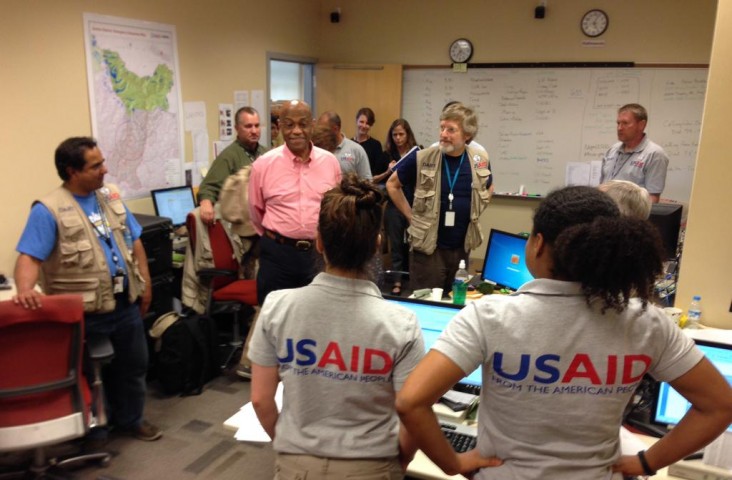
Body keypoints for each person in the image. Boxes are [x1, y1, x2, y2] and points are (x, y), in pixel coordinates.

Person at [396, 186, 732, 479]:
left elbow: (411, 402)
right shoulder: (647, 322)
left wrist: (452, 462)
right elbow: (720, 405)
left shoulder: (490, 316)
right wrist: (648, 462)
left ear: (538, 244)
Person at [249, 174, 425, 480]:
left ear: (318, 242)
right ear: (377, 245)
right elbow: (413, 416)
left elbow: (261, 400)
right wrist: (398, 464)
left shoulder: (276, 307)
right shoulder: (403, 324)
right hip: (373, 467)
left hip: (296, 467)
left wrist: (292, 448)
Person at [13, 136, 162, 444]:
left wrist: (144, 285)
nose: (104, 169)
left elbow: (135, 240)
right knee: (90, 374)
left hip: (124, 303)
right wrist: (25, 290)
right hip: (84, 311)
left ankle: (131, 420)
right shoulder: (49, 209)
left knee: (134, 366)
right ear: (72, 171)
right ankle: (96, 429)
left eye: (102, 162)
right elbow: (29, 256)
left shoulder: (109, 198)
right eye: (96, 165)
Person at [386, 103, 493, 294]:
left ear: (467, 135)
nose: (443, 134)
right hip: (428, 249)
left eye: (451, 130)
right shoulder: (422, 157)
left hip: (461, 247)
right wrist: (411, 217)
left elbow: (489, 186)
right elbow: (392, 185)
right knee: (425, 302)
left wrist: (475, 211)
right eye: (442, 127)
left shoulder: (479, 159)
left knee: (455, 302)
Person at [248, 100, 341, 306]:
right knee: (274, 320)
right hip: (277, 255)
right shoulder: (263, 165)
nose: (296, 131)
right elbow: (256, 212)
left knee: (317, 318)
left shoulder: (330, 163)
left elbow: (334, 209)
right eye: (289, 125)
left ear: (312, 125)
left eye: (303, 124)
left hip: (319, 256)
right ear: (280, 126)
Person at [198, 106, 268, 225]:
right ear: (237, 128)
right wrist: (206, 202)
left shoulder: (267, 153)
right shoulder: (228, 156)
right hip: (244, 222)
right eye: (248, 126)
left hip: (266, 217)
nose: (254, 131)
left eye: (257, 126)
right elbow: (209, 186)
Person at [600, 103, 670, 203]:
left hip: (630, 215)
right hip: (605, 211)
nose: (620, 128)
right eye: (618, 123)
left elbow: (652, 198)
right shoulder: (612, 150)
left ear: (641, 125)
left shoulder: (655, 154)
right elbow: (602, 185)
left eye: (625, 123)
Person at [381, 119, 420, 295]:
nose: (398, 138)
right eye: (394, 134)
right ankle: (397, 281)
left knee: (415, 244)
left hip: (414, 203)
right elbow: (377, 182)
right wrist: (388, 172)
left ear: (408, 134)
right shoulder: (387, 154)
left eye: (401, 134)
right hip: (393, 204)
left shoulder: (417, 154)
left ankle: (414, 279)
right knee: (396, 243)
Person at [317, 111, 372, 180]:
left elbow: (367, 181)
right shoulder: (318, 151)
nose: (320, 133)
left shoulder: (356, 150)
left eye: (324, 130)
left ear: (335, 129)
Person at [353, 107, 383, 177]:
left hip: (368, 184)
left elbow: (377, 172)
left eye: (367, 123)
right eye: (361, 122)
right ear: (356, 121)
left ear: (371, 125)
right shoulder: (349, 144)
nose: (364, 126)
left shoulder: (376, 145)